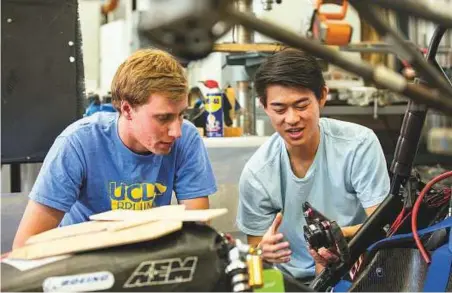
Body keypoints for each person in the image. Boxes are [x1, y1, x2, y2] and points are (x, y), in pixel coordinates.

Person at [13, 49, 217, 249]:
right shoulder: (79, 143)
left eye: (182, 115)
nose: (176, 131)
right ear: (127, 109)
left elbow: (198, 237)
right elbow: (25, 246)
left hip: (147, 261)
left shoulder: (187, 138)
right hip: (84, 264)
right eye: (163, 118)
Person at [236, 49, 390, 281]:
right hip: (292, 283)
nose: (291, 119)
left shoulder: (358, 145)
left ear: (322, 96)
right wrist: (261, 253)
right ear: (264, 106)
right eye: (279, 109)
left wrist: (332, 236)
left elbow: (385, 226)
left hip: (358, 271)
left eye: (301, 105)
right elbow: (256, 255)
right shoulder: (257, 174)